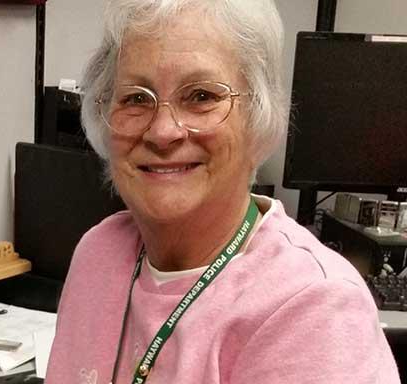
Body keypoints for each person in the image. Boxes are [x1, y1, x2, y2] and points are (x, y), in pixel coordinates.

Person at [46, 1, 400, 383]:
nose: (163, 131)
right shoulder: (97, 253)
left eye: (201, 96)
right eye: (135, 98)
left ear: (258, 114)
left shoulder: (314, 308)